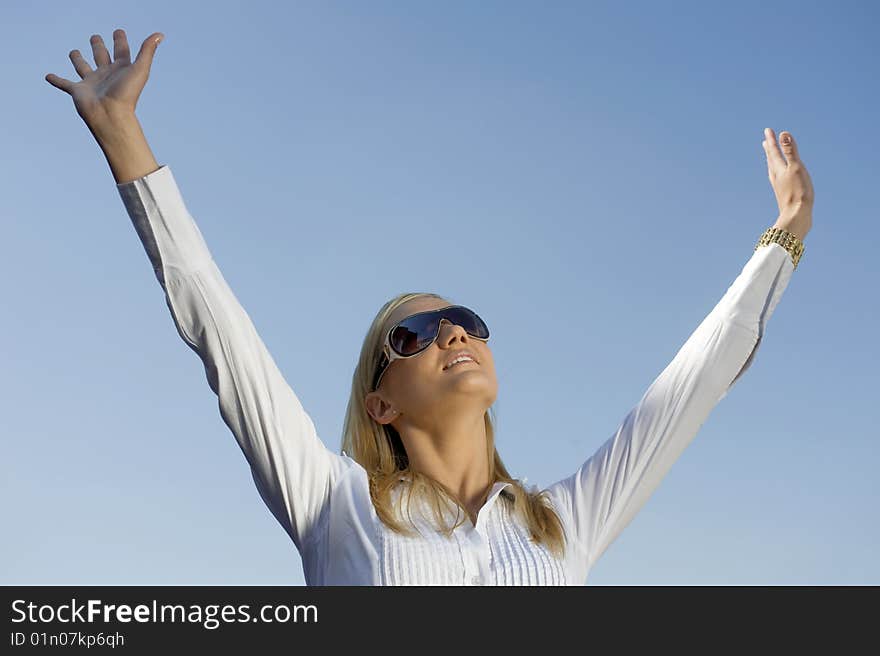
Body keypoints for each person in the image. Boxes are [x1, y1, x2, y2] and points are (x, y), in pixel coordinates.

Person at [46, 29, 814, 585]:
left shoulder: (562, 522)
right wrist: (123, 138)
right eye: (413, 334)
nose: (453, 331)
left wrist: (783, 238)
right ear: (379, 404)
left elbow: (686, 391)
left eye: (468, 323)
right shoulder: (333, 505)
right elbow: (217, 326)